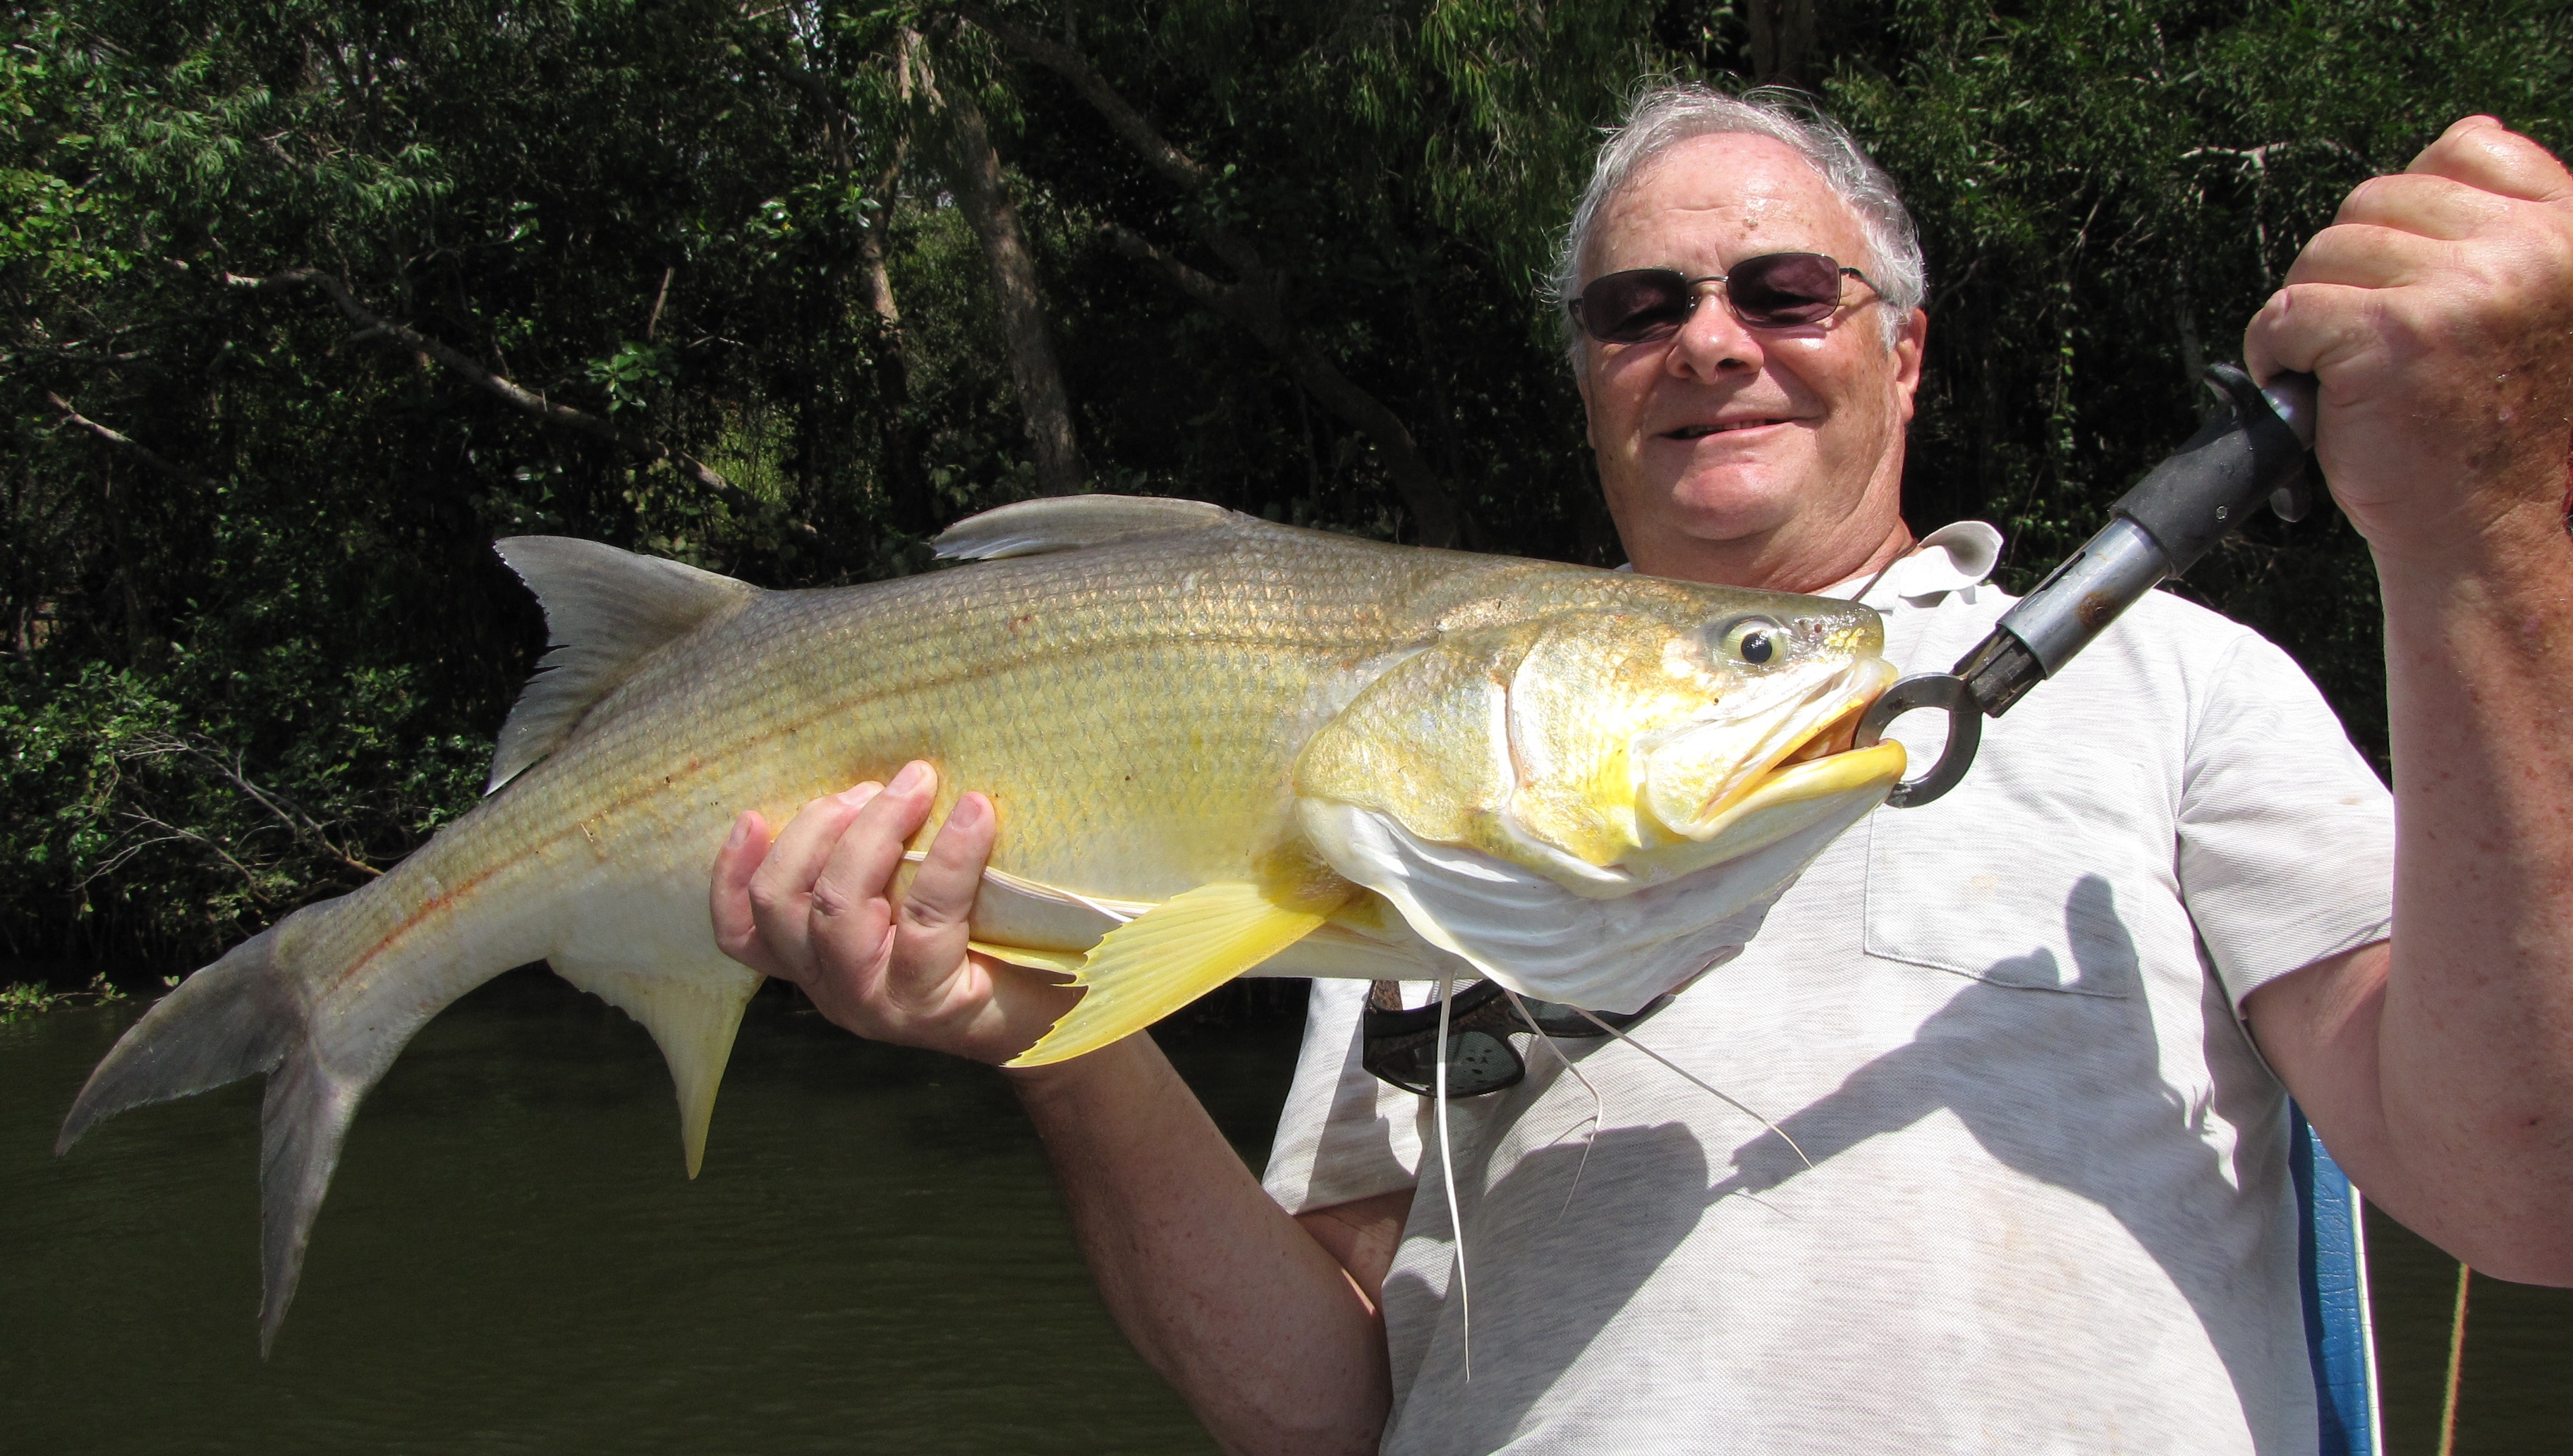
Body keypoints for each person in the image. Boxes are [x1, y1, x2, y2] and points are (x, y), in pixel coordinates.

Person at [705, 85, 2573, 1454]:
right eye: (1639, 307)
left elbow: (2534, 1189)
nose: (1711, 342)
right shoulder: (1447, 748)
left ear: (1908, 352)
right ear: (1592, 374)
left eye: (1785, 287)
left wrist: (2490, 521)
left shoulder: (2177, 682)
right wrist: (1062, 1027)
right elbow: (1322, 1404)